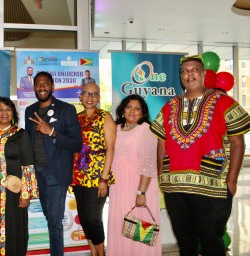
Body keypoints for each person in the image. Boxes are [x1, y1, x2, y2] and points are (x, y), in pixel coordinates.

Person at [150, 55, 250, 256]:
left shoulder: (224, 102)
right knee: (185, 242)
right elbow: (161, 143)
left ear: (204, 74)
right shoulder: (169, 107)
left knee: (211, 242)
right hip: (175, 186)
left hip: (212, 185)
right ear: (180, 77)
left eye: (195, 69)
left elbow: (237, 142)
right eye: (185, 71)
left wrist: (231, 180)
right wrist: (162, 175)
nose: (189, 74)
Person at [25, 71, 82, 256]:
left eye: (45, 84)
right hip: (38, 172)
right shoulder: (29, 111)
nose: (42, 87)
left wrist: (52, 132)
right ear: (34, 87)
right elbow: (28, 142)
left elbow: (77, 143)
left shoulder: (66, 110)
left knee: (55, 222)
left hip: (56, 172)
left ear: (52, 87)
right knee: (50, 217)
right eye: (38, 84)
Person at [0, 96, 38, 256]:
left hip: (12, 192)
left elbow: (28, 165)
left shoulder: (20, 134)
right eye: (0, 109)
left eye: (8, 109)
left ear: (13, 113)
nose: (4, 113)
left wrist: (25, 194)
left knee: (13, 228)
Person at [107, 94, 161, 255]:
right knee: (120, 225)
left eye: (137, 108)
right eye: (129, 107)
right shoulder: (115, 128)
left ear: (142, 113)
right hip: (118, 186)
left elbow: (149, 164)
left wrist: (141, 193)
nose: (132, 111)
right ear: (122, 109)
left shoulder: (146, 130)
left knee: (139, 230)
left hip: (139, 186)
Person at [72, 82, 116, 256]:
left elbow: (111, 149)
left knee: (93, 218)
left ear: (99, 97)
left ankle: (101, 253)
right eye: (86, 94)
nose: (90, 98)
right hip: (78, 174)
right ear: (80, 96)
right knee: (84, 218)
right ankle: (93, 252)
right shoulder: (76, 118)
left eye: (94, 94)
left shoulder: (105, 117)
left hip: (98, 175)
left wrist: (104, 178)